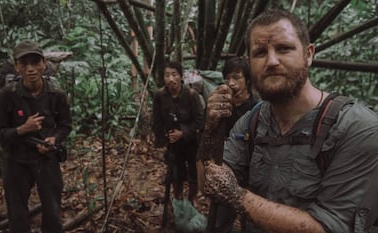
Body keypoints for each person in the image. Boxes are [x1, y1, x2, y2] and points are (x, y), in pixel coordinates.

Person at [199, 9, 378, 233]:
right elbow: (208, 182)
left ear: (308, 54)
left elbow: (332, 227)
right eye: (260, 52)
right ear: (249, 62)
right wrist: (210, 129)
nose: (272, 61)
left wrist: (237, 196)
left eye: (284, 48)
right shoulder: (251, 122)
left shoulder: (356, 128)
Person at [0, 40, 72, 233]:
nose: (31, 69)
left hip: (46, 159)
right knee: (17, 215)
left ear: (44, 63)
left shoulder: (57, 95)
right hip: (16, 160)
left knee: (52, 212)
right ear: (17, 66)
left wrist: (53, 140)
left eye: (35, 62)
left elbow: (65, 126)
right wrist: (22, 129)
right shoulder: (5, 96)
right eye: (24, 64)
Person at [199, 56, 258, 233]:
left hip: (252, 171)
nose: (231, 83)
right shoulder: (219, 106)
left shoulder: (257, 108)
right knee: (219, 221)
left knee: (252, 221)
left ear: (247, 80)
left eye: (236, 77)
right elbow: (205, 137)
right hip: (226, 169)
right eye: (227, 78)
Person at [152, 60, 204, 204]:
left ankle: (192, 197)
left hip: (191, 141)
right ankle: (178, 198)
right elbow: (156, 121)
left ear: (180, 76)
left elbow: (200, 121)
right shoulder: (160, 96)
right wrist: (162, 140)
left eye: (174, 74)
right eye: (167, 75)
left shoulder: (191, 95)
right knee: (176, 172)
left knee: (193, 172)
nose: (170, 79)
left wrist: (183, 132)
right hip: (173, 143)